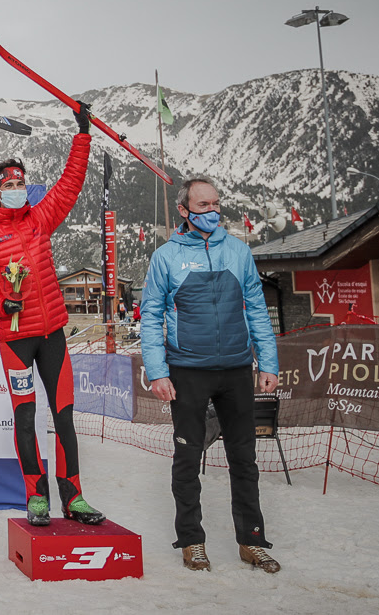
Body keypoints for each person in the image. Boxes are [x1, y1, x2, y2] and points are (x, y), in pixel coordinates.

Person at [0, 105, 104, 527]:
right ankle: (35, 498)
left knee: (63, 416)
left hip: (53, 333)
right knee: (26, 416)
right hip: (15, 339)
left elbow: (70, 184)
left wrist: (82, 135)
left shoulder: (41, 219)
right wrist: (1, 304)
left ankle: (74, 497)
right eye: (10, 184)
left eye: (22, 183)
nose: (18, 189)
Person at [140, 175, 281, 574]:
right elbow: (150, 317)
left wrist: (268, 362)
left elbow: (256, 307)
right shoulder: (166, 257)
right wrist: (157, 372)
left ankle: (252, 541)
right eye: (203, 206)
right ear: (184, 211)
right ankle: (192, 541)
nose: (213, 212)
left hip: (237, 369)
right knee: (187, 458)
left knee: (245, 460)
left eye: (216, 204)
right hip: (187, 371)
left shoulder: (238, 250)